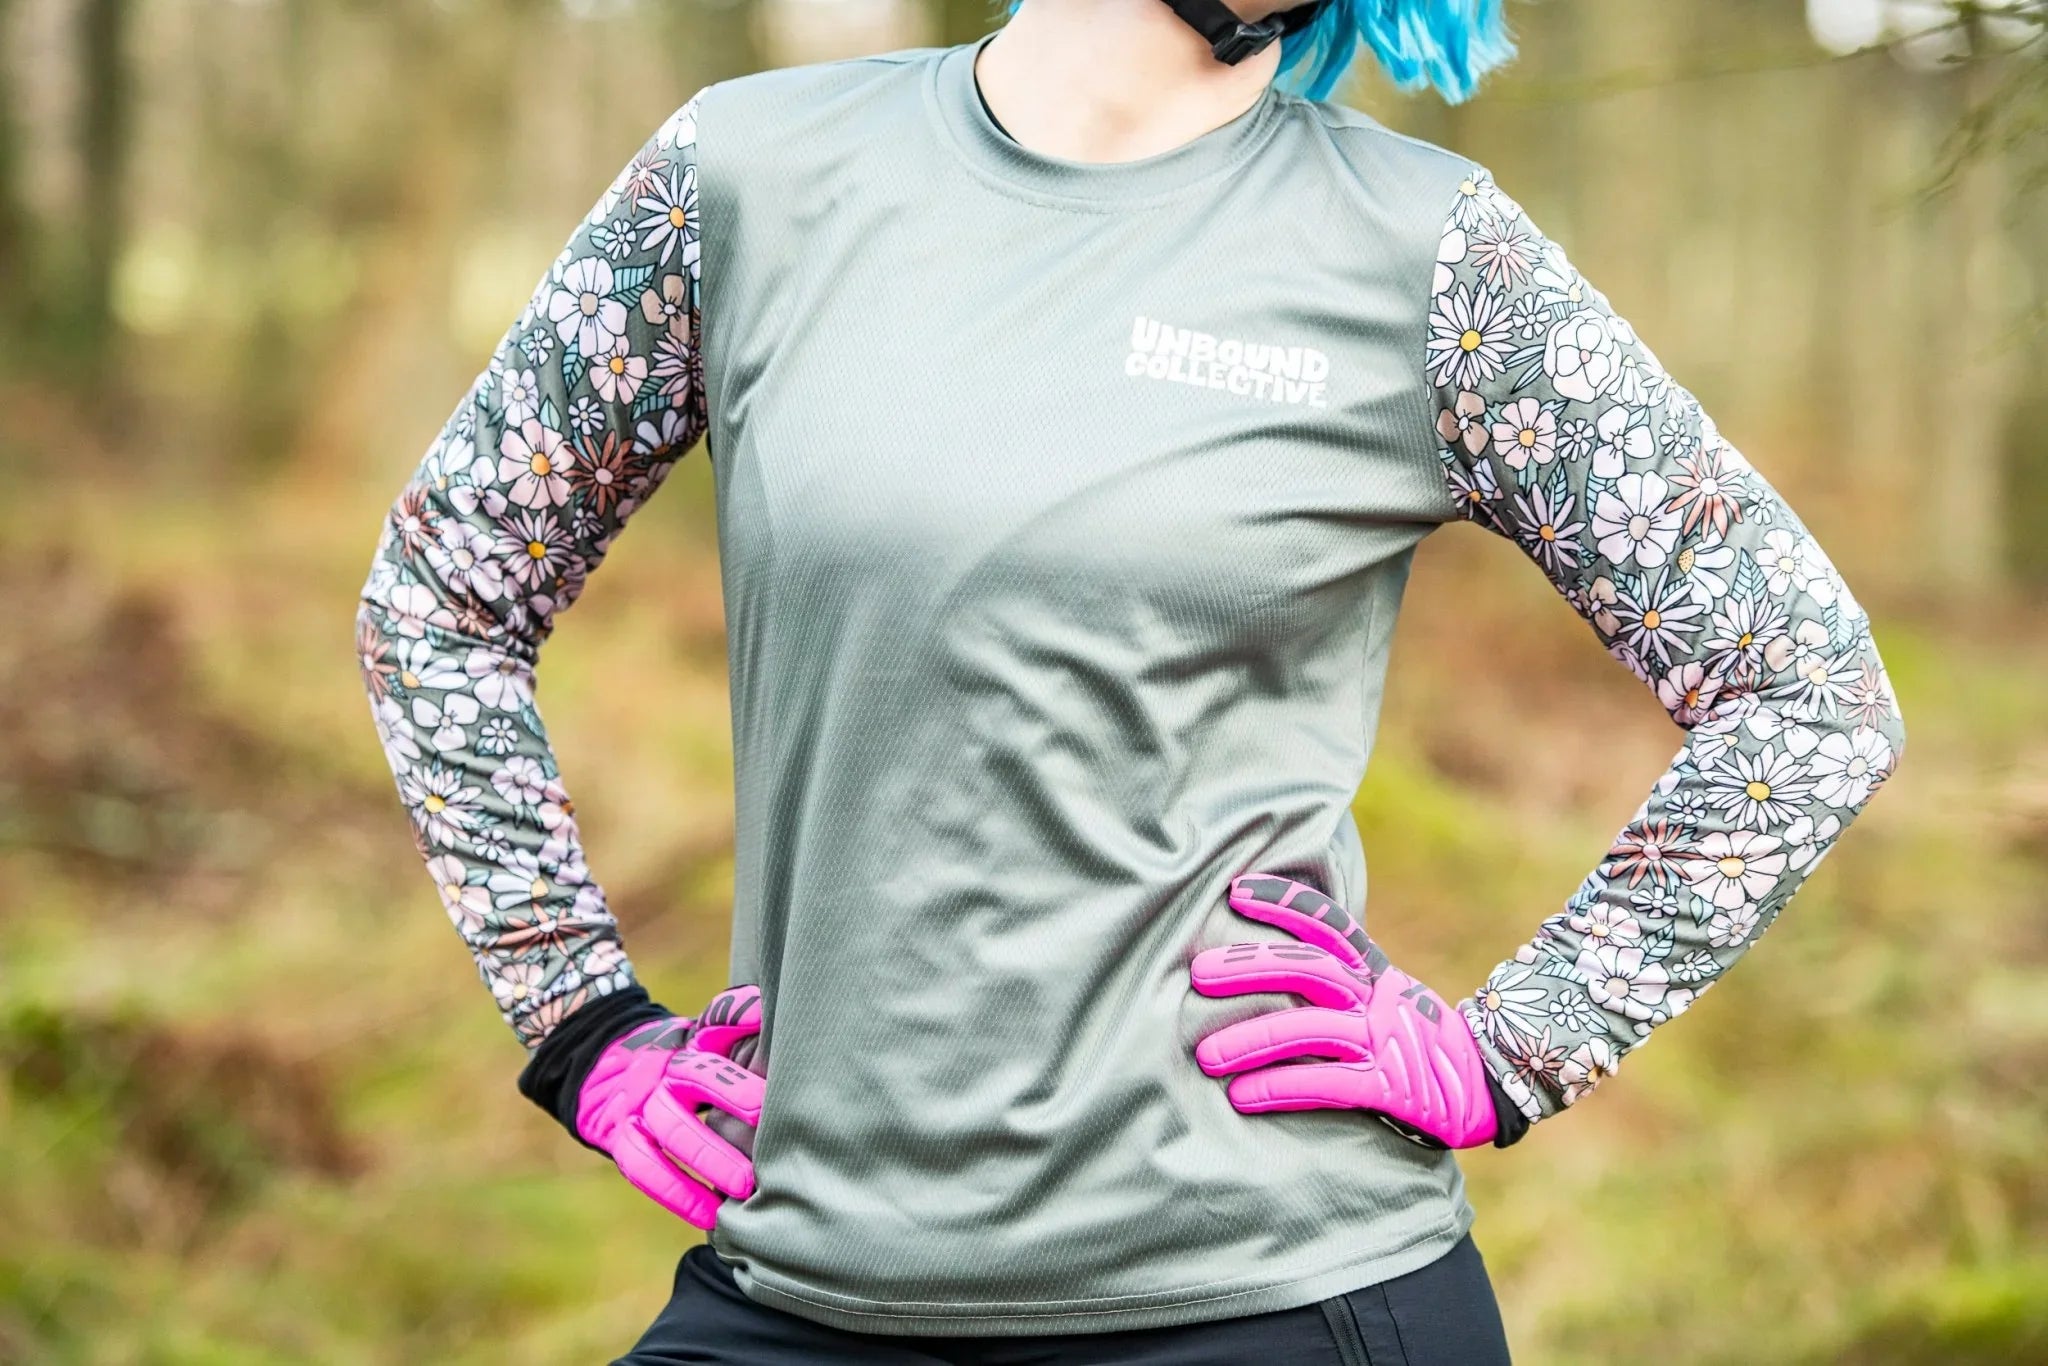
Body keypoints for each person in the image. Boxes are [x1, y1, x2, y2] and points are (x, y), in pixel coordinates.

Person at [351, 0, 1907, 1360]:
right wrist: (579, 1018)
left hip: (1283, 1293)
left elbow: (1808, 688)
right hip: (803, 1277)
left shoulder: (1434, 260)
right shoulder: (743, 175)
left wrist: (1520, 1040)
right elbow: (441, 591)